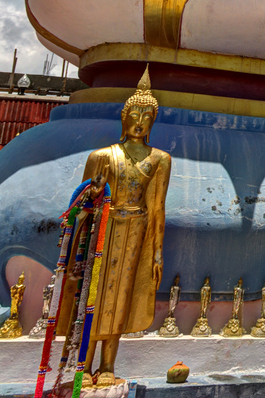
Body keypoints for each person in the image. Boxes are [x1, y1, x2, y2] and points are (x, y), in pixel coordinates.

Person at [75, 69, 172, 386]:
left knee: (121, 297)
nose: (140, 120)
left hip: (135, 233)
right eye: (134, 113)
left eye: (147, 115)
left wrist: (156, 253)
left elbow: (157, 207)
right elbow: (80, 206)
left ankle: (107, 365)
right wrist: (93, 193)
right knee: (95, 294)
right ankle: (83, 363)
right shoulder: (102, 156)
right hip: (104, 230)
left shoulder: (159, 159)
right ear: (123, 116)